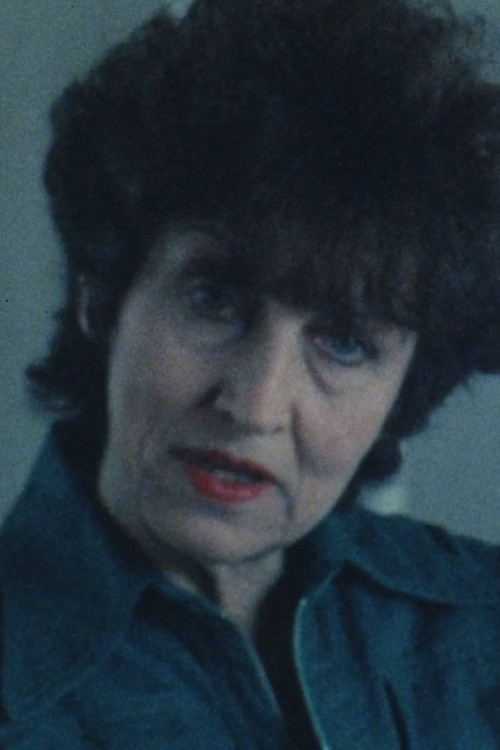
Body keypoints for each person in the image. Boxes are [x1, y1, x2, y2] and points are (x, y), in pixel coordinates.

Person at [1, 0, 499, 747]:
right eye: (214, 300)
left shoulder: (482, 621)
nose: (257, 405)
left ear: (406, 389)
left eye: (345, 343)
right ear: (101, 298)